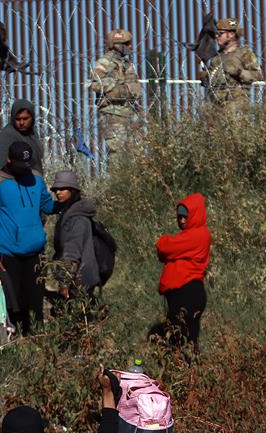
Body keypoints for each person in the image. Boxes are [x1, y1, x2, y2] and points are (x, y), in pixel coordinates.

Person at [0, 141, 57, 335]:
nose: (25, 168)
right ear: (9, 160)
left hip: (36, 252)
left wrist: (65, 204)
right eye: (20, 164)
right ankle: (13, 340)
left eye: (27, 164)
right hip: (9, 253)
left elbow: (47, 205)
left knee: (35, 302)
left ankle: (36, 340)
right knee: (12, 302)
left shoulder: (36, 178)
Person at [156, 193, 211, 348]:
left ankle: (187, 367)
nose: (181, 220)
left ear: (195, 215)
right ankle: (185, 365)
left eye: (185, 217)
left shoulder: (199, 235)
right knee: (181, 339)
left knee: (183, 340)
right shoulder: (188, 236)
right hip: (182, 294)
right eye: (179, 217)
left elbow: (165, 247)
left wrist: (163, 242)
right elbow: (166, 252)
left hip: (188, 292)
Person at [89, 28, 143, 156]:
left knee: (136, 154)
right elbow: (97, 85)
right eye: (126, 44)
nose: (130, 46)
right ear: (116, 45)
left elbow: (136, 90)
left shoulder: (127, 64)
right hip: (113, 114)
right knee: (117, 154)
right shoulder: (104, 63)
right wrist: (120, 90)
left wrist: (124, 90)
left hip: (130, 112)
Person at [50, 171, 99, 301]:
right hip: (76, 277)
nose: (58, 192)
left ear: (72, 190)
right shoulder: (69, 213)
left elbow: (72, 252)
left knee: (78, 311)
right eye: (56, 190)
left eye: (62, 189)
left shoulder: (78, 219)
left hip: (79, 280)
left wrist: (65, 282)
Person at [199, 17, 264, 112]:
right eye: (216, 34)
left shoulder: (244, 54)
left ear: (231, 34)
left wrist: (239, 72)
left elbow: (258, 75)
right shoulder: (216, 57)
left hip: (236, 106)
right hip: (216, 106)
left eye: (220, 33)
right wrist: (206, 76)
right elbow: (212, 79)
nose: (216, 36)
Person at [0, 99, 44, 174]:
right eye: (18, 119)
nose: (21, 123)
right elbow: (1, 164)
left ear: (32, 118)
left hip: (35, 178)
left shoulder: (32, 132)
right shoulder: (8, 134)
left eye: (25, 119)